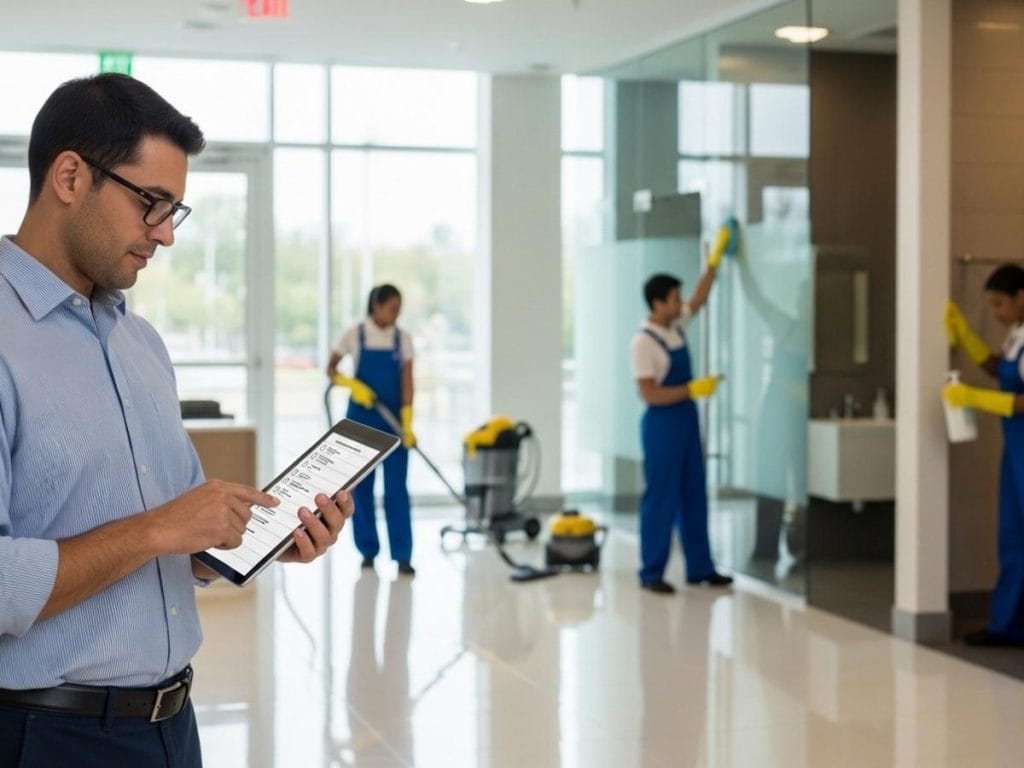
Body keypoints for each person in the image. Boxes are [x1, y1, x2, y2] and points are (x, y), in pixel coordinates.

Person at [0, 73, 353, 767]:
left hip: (171, 727)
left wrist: (256, 542)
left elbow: (174, 545)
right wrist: (159, 527)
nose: (164, 235)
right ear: (69, 176)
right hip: (44, 737)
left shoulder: (141, 345)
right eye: (150, 204)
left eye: (174, 212)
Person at [630, 231, 734, 594]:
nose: (680, 304)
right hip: (662, 424)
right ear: (658, 304)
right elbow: (649, 394)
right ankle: (651, 572)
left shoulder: (674, 328)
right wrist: (691, 389)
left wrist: (715, 260)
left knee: (694, 493)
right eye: (674, 299)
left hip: (687, 421)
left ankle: (700, 568)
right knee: (661, 497)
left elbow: (700, 300)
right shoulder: (643, 343)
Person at [944, 264, 1024, 646]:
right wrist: (967, 339)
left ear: (1021, 296)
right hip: (1015, 451)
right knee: (1012, 537)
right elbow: (1000, 368)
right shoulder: (1016, 335)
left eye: (999, 304)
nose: (996, 312)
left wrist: (976, 399)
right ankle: (1007, 625)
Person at [328, 284, 417, 575]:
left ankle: (402, 556)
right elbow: (331, 369)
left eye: (399, 309)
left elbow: (407, 381)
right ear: (376, 306)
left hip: (393, 424)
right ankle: (368, 551)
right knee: (361, 489)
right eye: (392, 308)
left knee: (396, 490)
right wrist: (353, 386)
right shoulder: (356, 334)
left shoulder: (402, 339)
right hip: (361, 423)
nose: (396, 314)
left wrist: (407, 419)